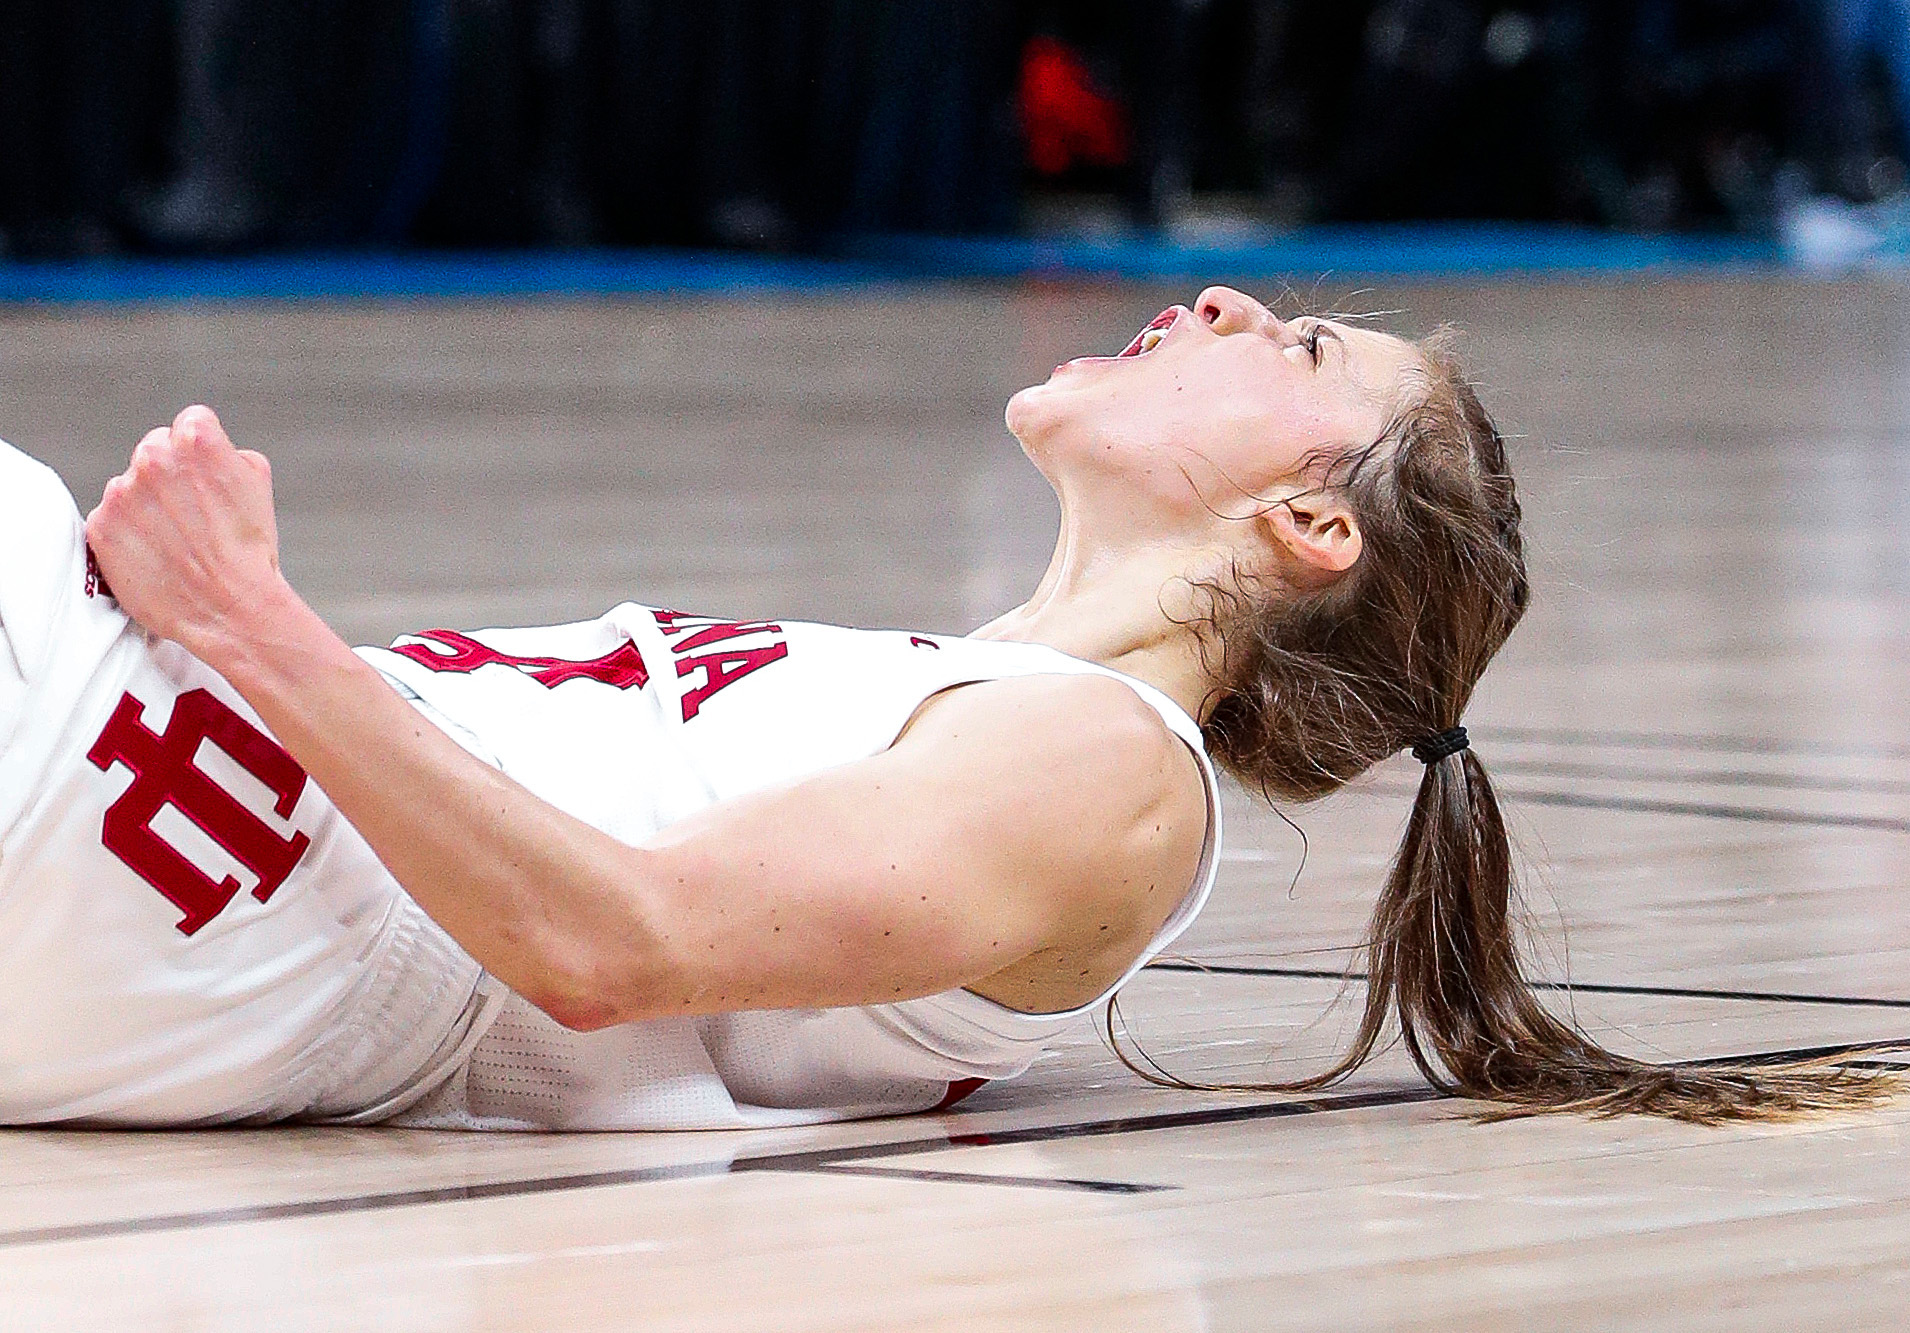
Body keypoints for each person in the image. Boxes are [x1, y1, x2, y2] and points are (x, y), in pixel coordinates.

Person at [1, 286, 1881, 1130]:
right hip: (161, 837)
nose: (1221, 297)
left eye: (1296, 347)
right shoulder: (982, 695)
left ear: (1309, 520)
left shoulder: (1106, 776)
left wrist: (249, 617)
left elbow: (607, 943)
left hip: (177, 859)